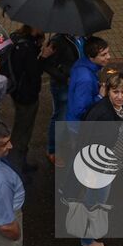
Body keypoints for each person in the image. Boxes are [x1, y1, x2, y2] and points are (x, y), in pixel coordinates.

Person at [76, 69, 123, 246]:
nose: (119, 96)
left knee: (94, 199)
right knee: (95, 201)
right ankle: (86, 238)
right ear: (107, 91)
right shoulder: (101, 113)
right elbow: (86, 142)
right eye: (115, 92)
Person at [2, 25, 45, 173]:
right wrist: (43, 57)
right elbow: (34, 73)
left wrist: (37, 48)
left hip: (17, 92)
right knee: (22, 132)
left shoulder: (16, 38)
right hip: (27, 96)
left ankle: (19, 163)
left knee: (21, 128)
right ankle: (16, 168)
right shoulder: (27, 47)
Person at [40, 33, 78, 166]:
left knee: (67, 114)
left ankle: (62, 141)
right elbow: (47, 65)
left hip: (73, 84)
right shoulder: (57, 40)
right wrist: (64, 77)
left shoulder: (79, 37)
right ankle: (53, 150)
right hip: (62, 86)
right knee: (59, 117)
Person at [66, 36, 111, 125]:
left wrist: (96, 85)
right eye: (103, 55)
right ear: (91, 57)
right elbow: (80, 111)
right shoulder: (86, 79)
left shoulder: (82, 63)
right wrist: (100, 96)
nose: (109, 56)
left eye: (108, 52)